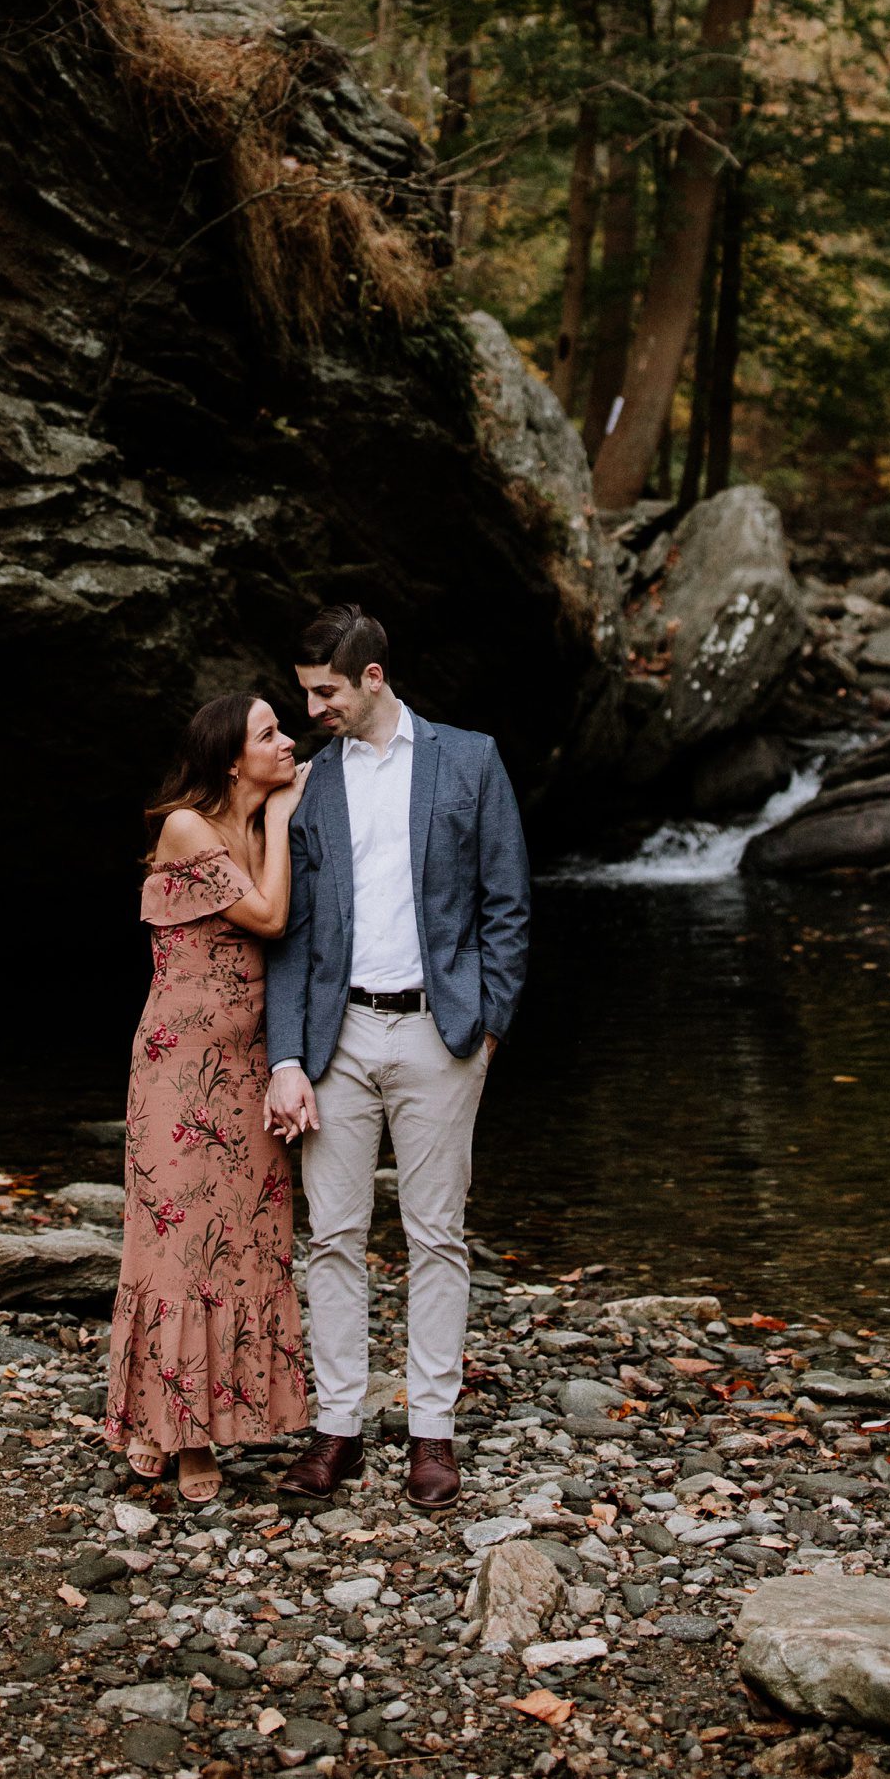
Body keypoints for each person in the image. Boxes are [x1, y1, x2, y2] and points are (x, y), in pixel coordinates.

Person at [263, 603, 530, 1514]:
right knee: (331, 1238)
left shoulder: (470, 759)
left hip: (439, 1036)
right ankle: (336, 1432)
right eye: (306, 694)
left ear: (372, 677)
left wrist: (487, 1025)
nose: (313, 710)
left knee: (436, 1237)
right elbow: (291, 935)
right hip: (336, 1043)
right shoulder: (310, 782)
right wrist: (287, 1056)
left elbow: (508, 903)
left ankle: (432, 1435)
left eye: (325, 692)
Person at [106, 691, 311, 1505]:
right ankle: (182, 1435)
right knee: (177, 1249)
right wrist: (287, 821)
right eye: (270, 733)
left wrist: (272, 823)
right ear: (232, 758)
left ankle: (188, 1421)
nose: (288, 741)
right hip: (178, 1074)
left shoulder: (248, 831)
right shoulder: (189, 828)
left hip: (248, 1071)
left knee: (242, 1245)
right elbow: (268, 917)